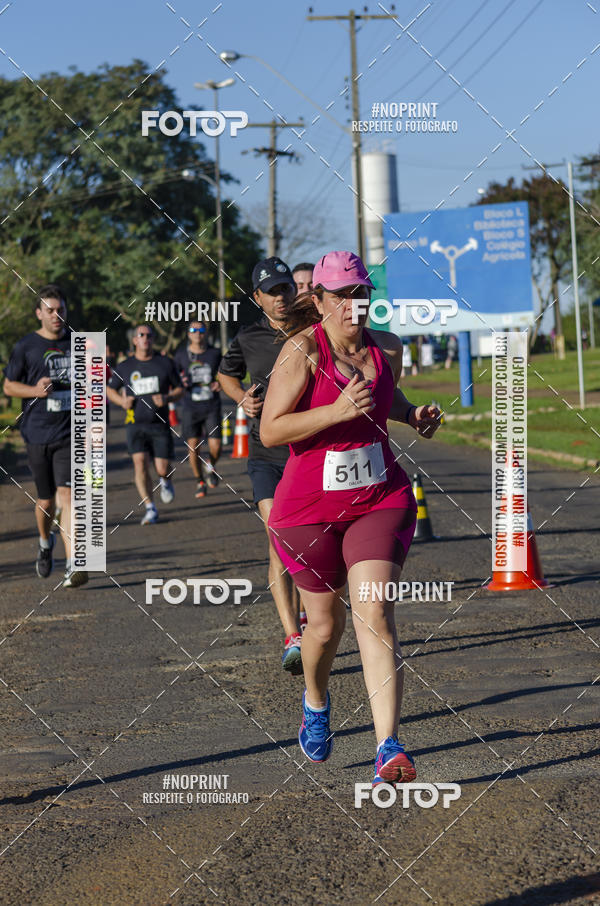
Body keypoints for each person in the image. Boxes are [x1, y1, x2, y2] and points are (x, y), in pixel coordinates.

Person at [260, 250, 441, 785]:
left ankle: (388, 745)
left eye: (360, 295)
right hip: (307, 510)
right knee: (324, 626)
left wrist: (410, 415)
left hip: (378, 497)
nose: (352, 307)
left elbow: (385, 394)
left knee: (374, 611)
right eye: (340, 297)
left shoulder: (388, 347)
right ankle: (315, 700)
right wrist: (336, 412)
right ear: (318, 300)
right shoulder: (300, 351)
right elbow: (271, 430)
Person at [218, 257, 304, 674]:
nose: (281, 296)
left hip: (308, 453)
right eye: (272, 291)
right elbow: (225, 374)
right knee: (278, 537)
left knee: (306, 545)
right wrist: (241, 398)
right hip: (266, 454)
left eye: (286, 287)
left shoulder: (314, 331)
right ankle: (292, 636)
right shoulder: (248, 337)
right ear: (258, 298)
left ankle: (305, 617)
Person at [3, 284, 88, 587]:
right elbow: (9, 386)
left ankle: (74, 563)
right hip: (37, 432)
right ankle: (44, 541)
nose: (56, 315)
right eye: (50, 310)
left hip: (70, 433)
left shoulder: (79, 343)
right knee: (46, 501)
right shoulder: (26, 346)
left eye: (60, 310)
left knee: (69, 496)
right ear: (39, 313)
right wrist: (35, 391)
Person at [106, 325, 182, 525]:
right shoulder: (125, 367)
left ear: (153, 339)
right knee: (139, 463)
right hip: (134, 424)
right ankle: (150, 507)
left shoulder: (165, 363)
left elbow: (180, 389)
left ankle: (165, 480)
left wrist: (166, 397)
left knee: (162, 468)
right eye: (141, 335)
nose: (145, 338)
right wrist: (121, 402)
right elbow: (109, 389)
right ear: (134, 340)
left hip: (159, 423)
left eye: (149, 335)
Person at [174, 321, 222, 498]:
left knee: (216, 446)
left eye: (201, 330)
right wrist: (180, 384)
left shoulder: (215, 354)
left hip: (211, 405)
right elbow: (173, 378)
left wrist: (221, 383)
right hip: (190, 406)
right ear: (188, 334)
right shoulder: (181, 356)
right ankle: (200, 481)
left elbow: (226, 374)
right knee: (193, 447)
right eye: (193, 330)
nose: (197, 333)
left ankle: (210, 463)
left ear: (205, 334)